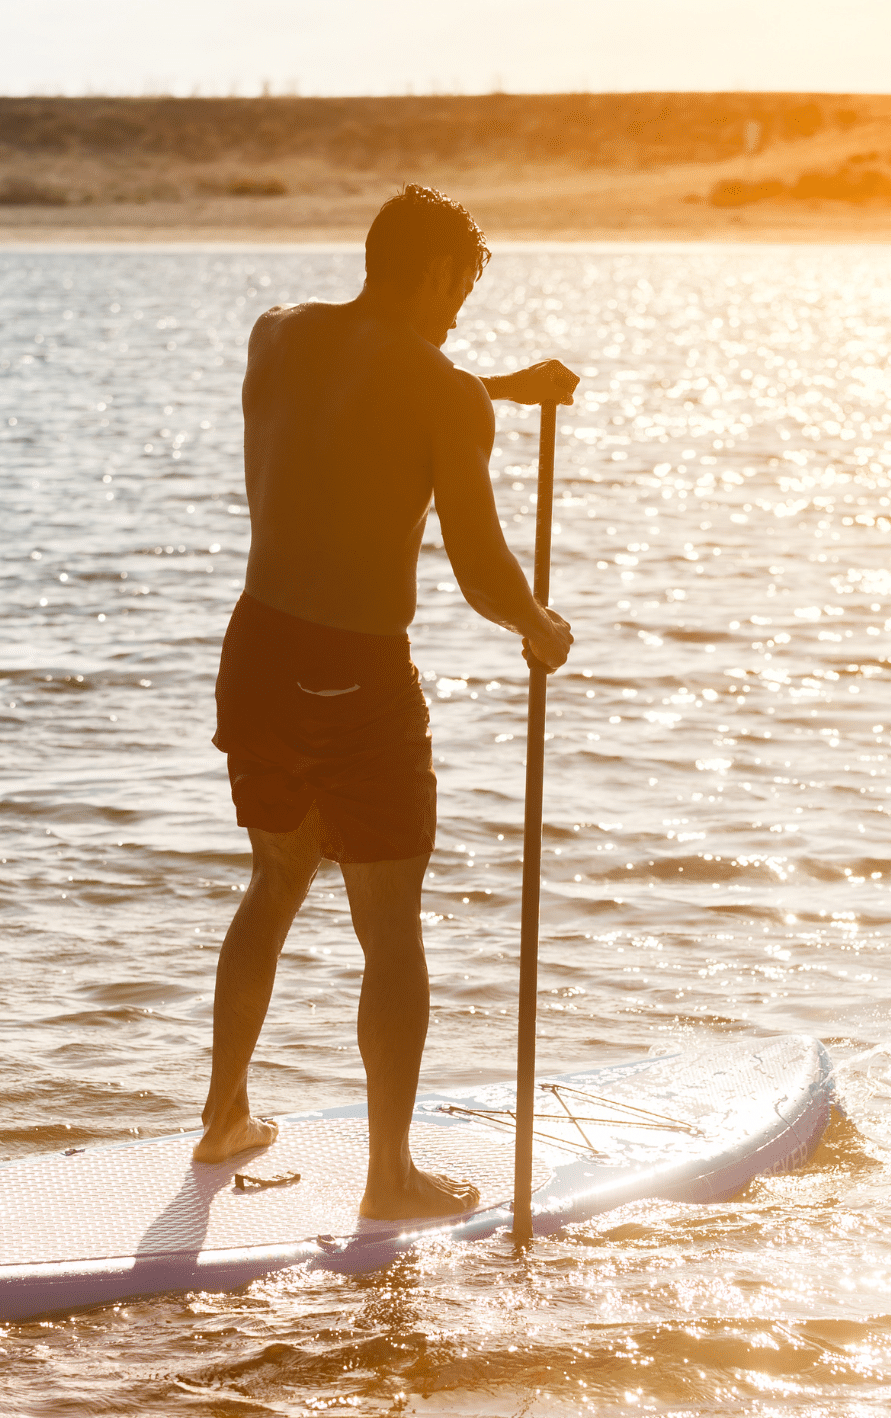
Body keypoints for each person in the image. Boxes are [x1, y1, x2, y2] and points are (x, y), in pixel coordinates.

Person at [192, 184, 577, 1220]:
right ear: (424, 272)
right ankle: (389, 1179)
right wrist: (539, 629)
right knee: (389, 928)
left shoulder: (275, 339)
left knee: (274, 880)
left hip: (257, 654)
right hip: (357, 677)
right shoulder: (441, 394)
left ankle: (222, 1116)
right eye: (456, 285)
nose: (459, 310)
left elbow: (362, 396)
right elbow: (479, 568)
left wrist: (491, 390)